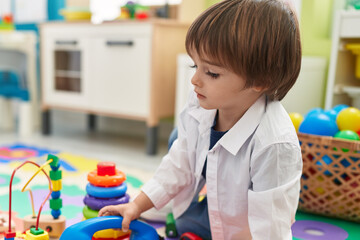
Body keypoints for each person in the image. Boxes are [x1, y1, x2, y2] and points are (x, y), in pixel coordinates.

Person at [99, 0, 303, 239]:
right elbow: (179, 162)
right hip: (209, 205)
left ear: (260, 81)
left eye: (212, 73)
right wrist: (136, 205)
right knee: (179, 139)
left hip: (245, 228)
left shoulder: (275, 145)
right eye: (195, 65)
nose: (195, 79)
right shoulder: (200, 100)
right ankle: (176, 214)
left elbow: (267, 227)